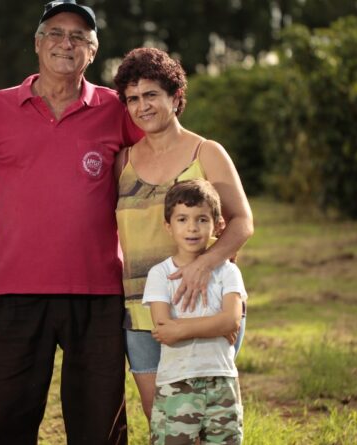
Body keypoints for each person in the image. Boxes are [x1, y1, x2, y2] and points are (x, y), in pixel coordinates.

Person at [0, 1, 141, 444]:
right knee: (7, 427)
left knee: (100, 430)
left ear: (93, 51)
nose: (66, 43)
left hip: (99, 295)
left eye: (79, 37)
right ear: (37, 44)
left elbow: (158, 166)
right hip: (12, 294)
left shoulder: (117, 109)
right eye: (55, 33)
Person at [113, 47, 254, 422]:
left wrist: (204, 265)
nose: (142, 106)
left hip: (205, 309)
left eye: (151, 95)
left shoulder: (206, 153)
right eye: (132, 99)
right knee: (162, 422)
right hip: (142, 312)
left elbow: (242, 221)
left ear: (175, 98)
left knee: (205, 421)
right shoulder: (122, 162)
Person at [143, 179, 246, 444]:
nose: (192, 227)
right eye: (182, 219)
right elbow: (165, 330)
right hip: (176, 384)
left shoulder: (228, 272)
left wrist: (182, 329)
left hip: (222, 382)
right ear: (168, 226)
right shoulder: (160, 274)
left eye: (202, 219)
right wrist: (215, 325)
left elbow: (231, 320)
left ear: (217, 225)